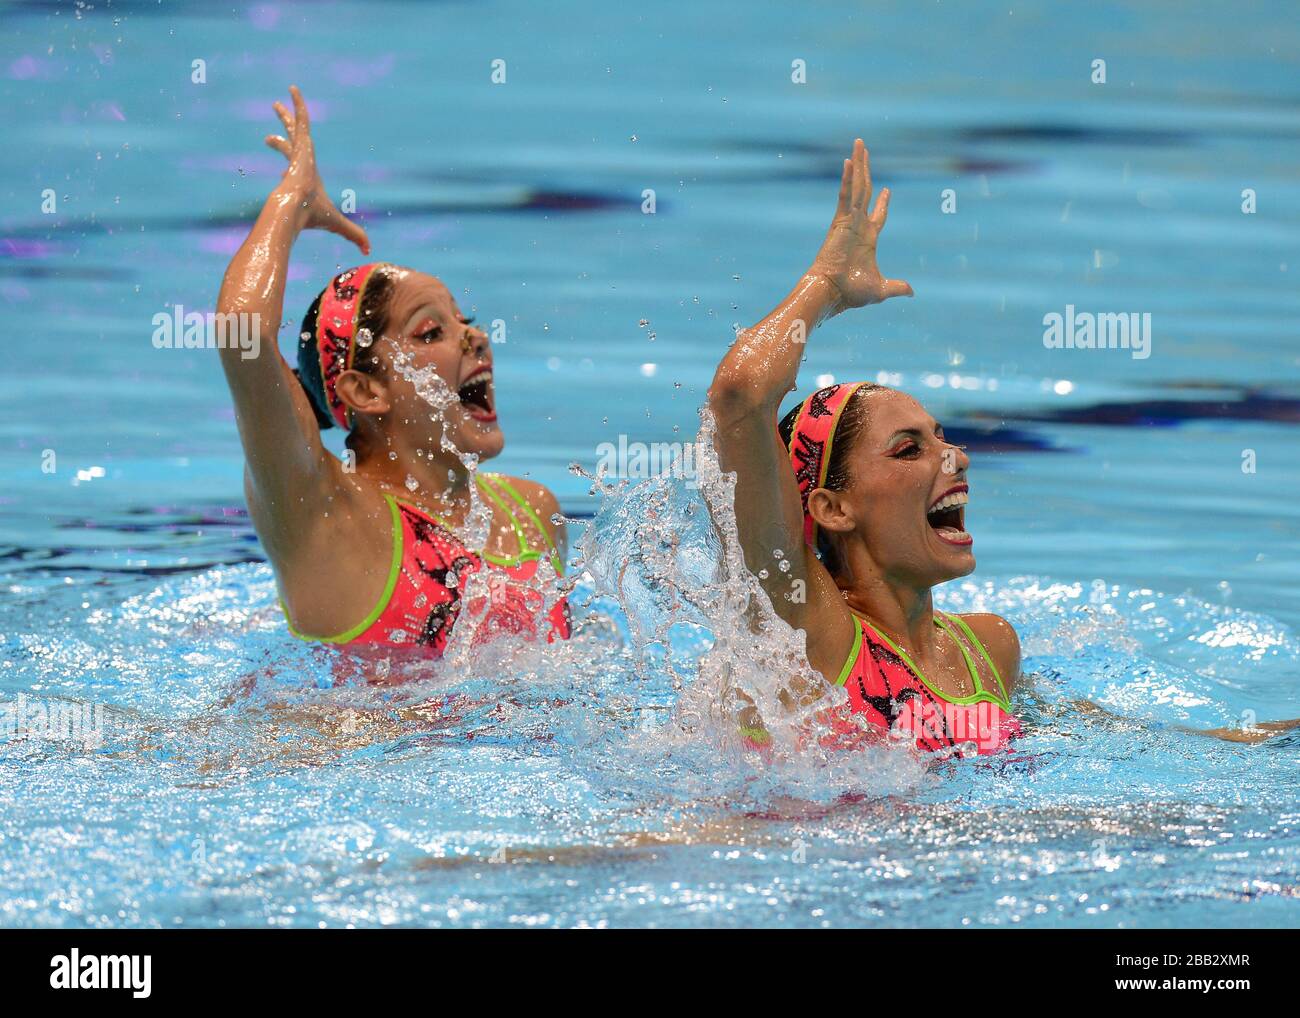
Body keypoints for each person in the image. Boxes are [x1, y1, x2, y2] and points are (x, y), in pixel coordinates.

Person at [709, 140, 1298, 755]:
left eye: (942, 437)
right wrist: (825, 286)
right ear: (833, 508)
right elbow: (739, 398)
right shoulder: (801, 628)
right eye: (908, 449)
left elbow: (1122, 743)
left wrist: (1263, 741)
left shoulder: (989, 650)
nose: (953, 456)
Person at [216, 87, 568, 655]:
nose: (475, 336)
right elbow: (242, 334)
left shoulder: (535, 513)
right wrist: (291, 203)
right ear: (365, 390)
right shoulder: (328, 516)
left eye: (465, 320)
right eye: (431, 331)